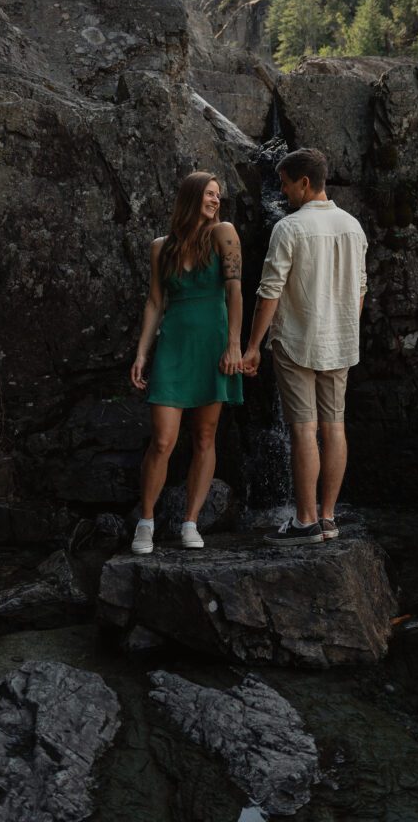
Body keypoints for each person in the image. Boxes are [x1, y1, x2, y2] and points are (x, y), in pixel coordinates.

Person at [242, 148, 367, 546]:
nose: (283, 191)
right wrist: (345, 326)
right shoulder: (353, 226)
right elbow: (360, 289)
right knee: (334, 428)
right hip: (341, 342)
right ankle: (329, 519)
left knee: (303, 430)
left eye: (285, 183)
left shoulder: (289, 228)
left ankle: (305, 521)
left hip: (297, 342)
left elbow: (269, 293)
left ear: (305, 183)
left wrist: (252, 347)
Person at [130, 171, 243, 553]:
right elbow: (155, 302)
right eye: (210, 194)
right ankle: (145, 521)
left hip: (213, 345)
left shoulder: (223, 234)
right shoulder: (161, 247)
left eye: (218, 196)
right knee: (162, 440)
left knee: (205, 436)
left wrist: (234, 346)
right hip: (174, 346)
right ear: (192, 197)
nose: (216, 201)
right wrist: (143, 352)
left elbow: (235, 292)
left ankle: (190, 523)